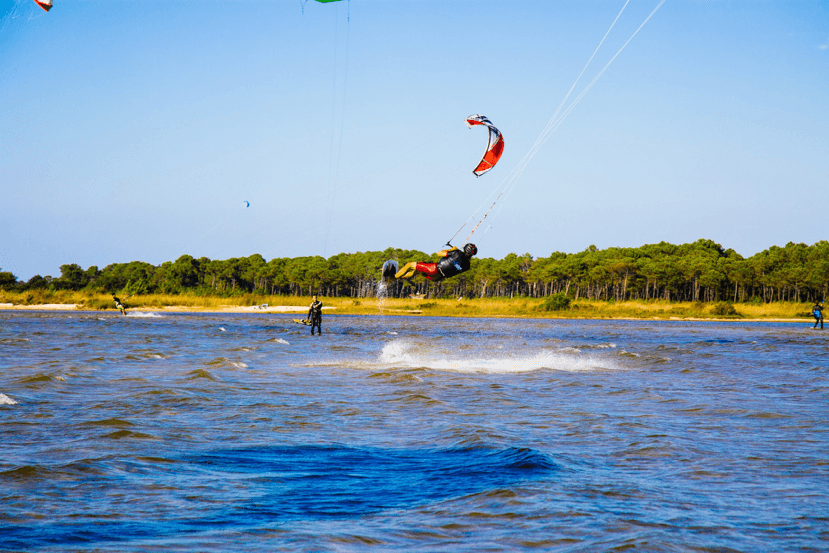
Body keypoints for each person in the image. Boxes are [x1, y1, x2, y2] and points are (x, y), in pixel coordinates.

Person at [395, 243, 477, 281]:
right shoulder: (467, 266)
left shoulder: (457, 252)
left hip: (434, 269)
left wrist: (452, 249)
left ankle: (394, 277)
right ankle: (398, 277)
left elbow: (439, 254)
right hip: (437, 278)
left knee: (410, 265)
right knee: (417, 271)